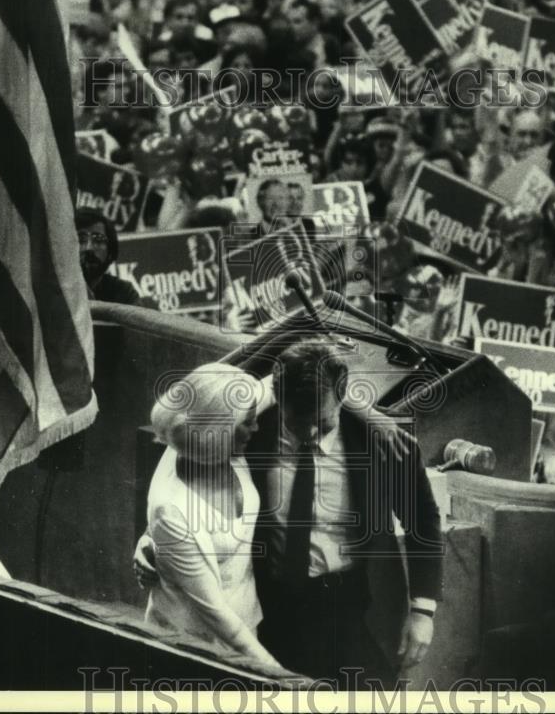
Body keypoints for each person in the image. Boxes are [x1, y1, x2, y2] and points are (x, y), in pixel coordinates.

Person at [137, 339, 443, 687]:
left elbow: (422, 519)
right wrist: (152, 539)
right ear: (277, 397)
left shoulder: (386, 444)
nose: (310, 434)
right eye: (297, 422)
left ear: (343, 394)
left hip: (348, 607)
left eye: (322, 422)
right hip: (270, 607)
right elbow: (187, 463)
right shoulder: (247, 428)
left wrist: (422, 611)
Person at [145, 364, 283, 669]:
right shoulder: (173, 508)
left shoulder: (214, 441)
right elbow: (215, 611)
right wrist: (277, 673)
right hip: (189, 645)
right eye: (248, 423)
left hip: (244, 625)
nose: (256, 427)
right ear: (217, 433)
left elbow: (274, 384)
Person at [75, 208, 139, 305]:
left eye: (98, 240)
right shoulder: (54, 290)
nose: (89, 248)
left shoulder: (123, 292)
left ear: (110, 252)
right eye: (81, 240)